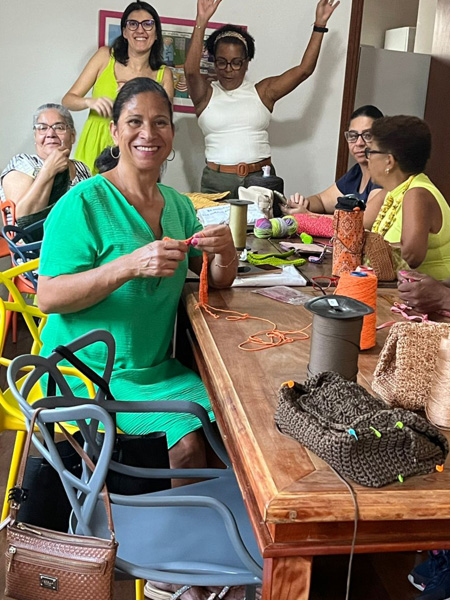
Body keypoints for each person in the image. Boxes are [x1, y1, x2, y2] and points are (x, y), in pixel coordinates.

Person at [38, 78, 237, 477]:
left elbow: (215, 280)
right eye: (134, 122)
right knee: (184, 446)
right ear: (114, 131)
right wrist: (129, 265)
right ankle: (166, 534)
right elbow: (49, 296)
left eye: (160, 122)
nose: (148, 133)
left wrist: (227, 252)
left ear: (172, 133)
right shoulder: (83, 203)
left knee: (236, 427)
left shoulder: (179, 206)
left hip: (155, 369)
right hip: (88, 372)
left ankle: (207, 524)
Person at [184, 0, 339, 197]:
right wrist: (201, 20)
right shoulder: (205, 94)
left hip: (260, 178)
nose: (228, 69)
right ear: (213, 61)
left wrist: (319, 25)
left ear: (247, 63)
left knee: (264, 229)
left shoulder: (263, 92)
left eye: (236, 63)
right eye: (221, 62)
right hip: (217, 182)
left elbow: (303, 70)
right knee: (216, 229)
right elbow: (190, 71)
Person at [62, 1, 174, 174]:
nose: (140, 30)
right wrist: (90, 102)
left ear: (156, 34)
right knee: (89, 196)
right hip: (94, 142)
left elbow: (163, 121)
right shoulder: (105, 56)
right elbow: (68, 100)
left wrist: (135, 102)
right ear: (124, 32)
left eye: (148, 24)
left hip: (136, 148)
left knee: (129, 199)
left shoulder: (163, 73)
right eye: (133, 24)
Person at [364, 115, 450, 280]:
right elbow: (354, 227)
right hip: (394, 289)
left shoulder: (417, 194)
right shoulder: (390, 192)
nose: (367, 159)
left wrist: (370, 247)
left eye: (370, 152)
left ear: (389, 161)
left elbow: (411, 257)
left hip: (425, 298)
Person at [0, 103, 91, 236]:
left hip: (83, 245)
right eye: (42, 128)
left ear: (72, 136)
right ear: (35, 137)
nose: (50, 134)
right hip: (37, 251)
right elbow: (24, 220)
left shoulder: (81, 168)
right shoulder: (22, 164)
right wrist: (49, 170)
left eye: (59, 127)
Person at [282, 105, 384, 216]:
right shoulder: (356, 173)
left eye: (367, 135)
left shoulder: (385, 175)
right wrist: (303, 204)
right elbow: (321, 200)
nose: (359, 143)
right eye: (353, 136)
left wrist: (309, 215)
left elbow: (364, 222)